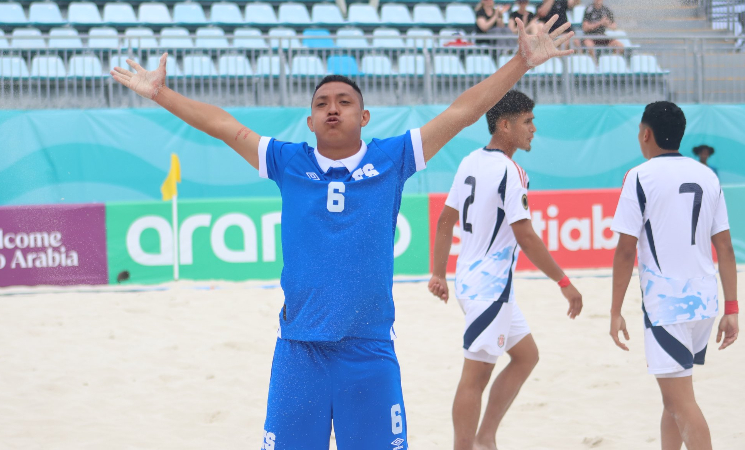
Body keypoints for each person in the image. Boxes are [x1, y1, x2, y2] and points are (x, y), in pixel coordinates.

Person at [111, 16, 575, 450]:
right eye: (321, 104)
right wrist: (160, 94)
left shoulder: (392, 159)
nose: (332, 109)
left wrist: (520, 63)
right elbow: (225, 128)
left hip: (369, 351)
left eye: (344, 102)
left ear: (364, 116)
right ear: (310, 122)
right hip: (298, 353)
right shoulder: (289, 162)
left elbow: (461, 113)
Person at [429, 90, 583, 450]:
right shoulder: (511, 172)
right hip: (489, 288)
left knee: (527, 355)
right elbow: (526, 236)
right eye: (528, 122)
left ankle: (486, 436)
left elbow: (444, 222)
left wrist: (438, 273)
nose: (533, 129)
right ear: (505, 124)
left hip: (476, 282)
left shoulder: (469, 160)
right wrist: (564, 281)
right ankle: (467, 445)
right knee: (474, 378)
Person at [609, 101, 739, 450]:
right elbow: (725, 249)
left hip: (667, 305)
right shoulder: (706, 175)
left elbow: (624, 251)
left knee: (681, 402)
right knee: (675, 395)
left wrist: (614, 310)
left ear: (646, 134)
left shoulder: (639, 176)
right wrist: (732, 308)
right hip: (704, 301)